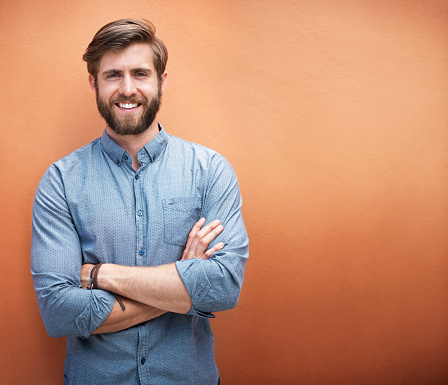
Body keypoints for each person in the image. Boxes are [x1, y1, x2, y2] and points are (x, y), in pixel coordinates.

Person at [31, 18, 249, 385]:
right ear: (94, 83)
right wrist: (183, 284)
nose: (127, 89)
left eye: (140, 74)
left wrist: (101, 275)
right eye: (113, 75)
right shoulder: (61, 181)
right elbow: (59, 313)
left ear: (161, 80)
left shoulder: (210, 170)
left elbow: (224, 287)